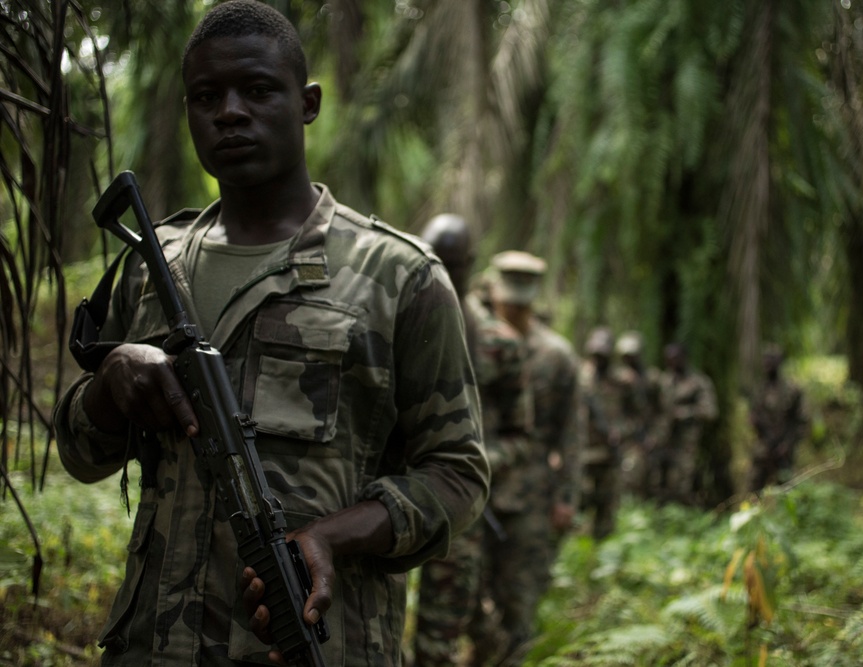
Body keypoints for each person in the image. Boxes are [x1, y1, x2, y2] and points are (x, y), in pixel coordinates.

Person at [51, 3, 488, 665]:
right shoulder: (148, 262)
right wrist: (110, 387)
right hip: (151, 646)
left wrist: (334, 537)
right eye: (207, 96)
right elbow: (81, 453)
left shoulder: (399, 277)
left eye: (257, 90)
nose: (229, 112)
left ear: (307, 103)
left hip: (314, 641)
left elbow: (457, 473)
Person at [411, 216, 530, 667]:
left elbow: (522, 435)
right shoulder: (394, 321)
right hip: (388, 498)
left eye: (452, 262)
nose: (440, 268)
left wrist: (477, 462)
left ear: (470, 266)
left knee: (437, 637)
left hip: (459, 505)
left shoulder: (501, 344)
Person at [472, 250, 583, 665]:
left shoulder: (557, 356)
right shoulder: (474, 342)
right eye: (508, 300)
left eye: (522, 302)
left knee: (519, 600)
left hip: (530, 496)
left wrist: (567, 498)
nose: (514, 309)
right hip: (473, 488)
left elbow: (571, 433)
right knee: (462, 597)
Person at [650, 342, 718, 506]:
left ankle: (685, 519)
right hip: (663, 441)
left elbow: (711, 411)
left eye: (675, 358)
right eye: (668, 359)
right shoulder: (664, 381)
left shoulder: (698, 382)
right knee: (658, 483)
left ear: (684, 358)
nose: (672, 363)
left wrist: (685, 414)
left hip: (687, 443)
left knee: (682, 484)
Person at [578, 326, 626, 539]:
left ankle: (602, 549)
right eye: (595, 354)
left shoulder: (622, 380)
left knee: (607, 508)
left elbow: (640, 414)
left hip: (609, 453)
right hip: (582, 452)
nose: (598, 359)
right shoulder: (580, 377)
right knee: (579, 504)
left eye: (603, 355)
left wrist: (621, 431)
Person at [749, 344, 809, 491]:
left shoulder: (792, 389)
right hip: (764, 444)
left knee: (787, 487)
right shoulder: (760, 388)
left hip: (784, 446)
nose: (767, 364)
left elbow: (802, 420)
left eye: (771, 360)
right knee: (755, 485)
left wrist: (788, 443)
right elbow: (754, 414)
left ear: (779, 362)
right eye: (765, 360)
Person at [613, 331, 655, 498]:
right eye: (626, 356)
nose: (629, 360)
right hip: (623, 435)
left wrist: (655, 435)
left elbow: (661, 410)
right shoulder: (617, 378)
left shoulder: (652, 379)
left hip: (645, 435)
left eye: (632, 355)